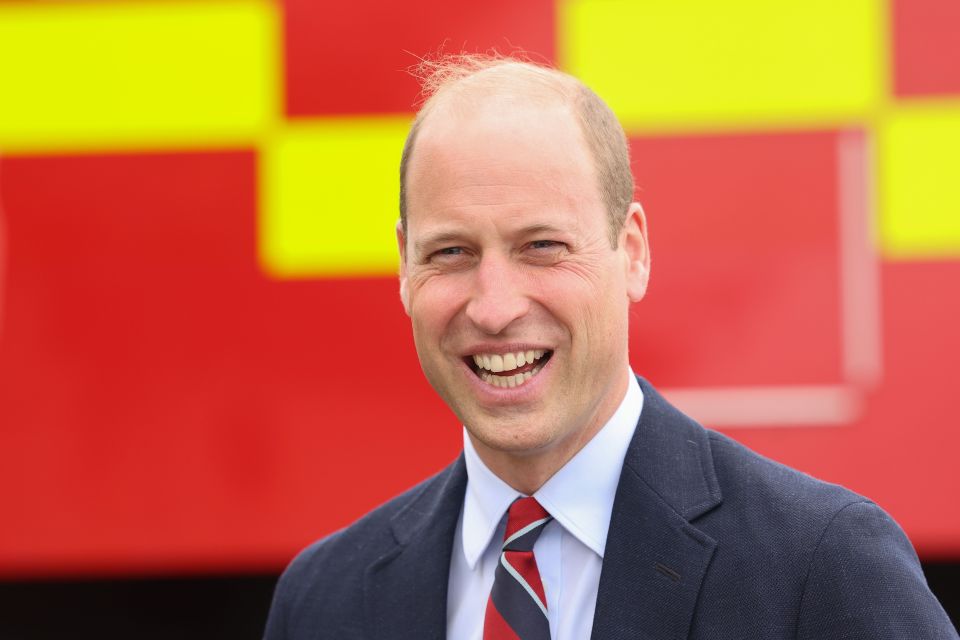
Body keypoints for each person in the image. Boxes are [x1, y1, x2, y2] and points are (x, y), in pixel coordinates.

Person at [263, 55, 957, 639]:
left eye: (542, 247)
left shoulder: (824, 567)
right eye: (451, 252)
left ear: (632, 253)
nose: (496, 306)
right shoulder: (325, 603)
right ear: (404, 269)